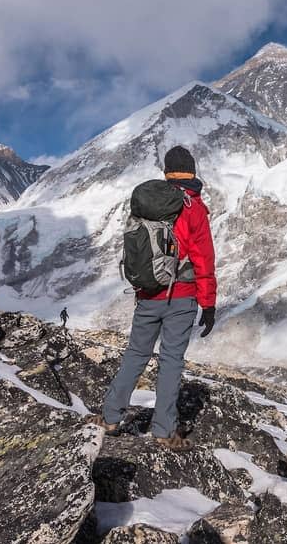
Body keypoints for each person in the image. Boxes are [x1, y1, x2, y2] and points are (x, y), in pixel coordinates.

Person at [91, 145, 216, 451]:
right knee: (171, 361)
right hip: (182, 297)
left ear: (166, 172)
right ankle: (163, 431)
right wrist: (208, 303)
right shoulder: (194, 208)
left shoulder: (148, 203)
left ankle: (109, 417)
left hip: (148, 293)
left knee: (135, 355)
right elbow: (203, 258)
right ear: (192, 172)